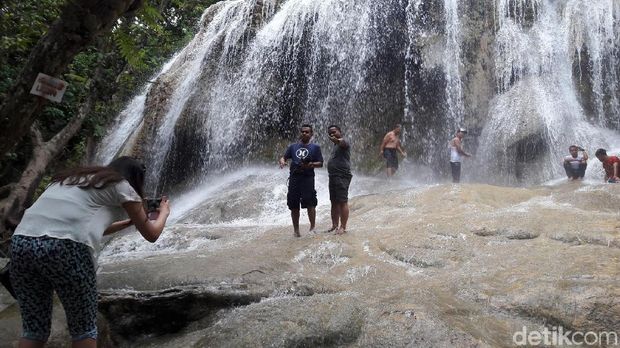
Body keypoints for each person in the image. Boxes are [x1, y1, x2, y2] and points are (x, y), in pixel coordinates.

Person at [10, 156, 170, 348]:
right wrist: (164, 213)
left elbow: (78, 225)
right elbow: (152, 234)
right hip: (66, 249)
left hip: (21, 243)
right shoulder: (122, 186)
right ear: (135, 178)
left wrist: (127, 223)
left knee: (34, 329)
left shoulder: (67, 179)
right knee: (83, 329)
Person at [279, 124, 323, 237]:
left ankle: (312, 227)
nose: (304, 133)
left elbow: (321, 163)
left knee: (310, 202)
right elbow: (284, 157)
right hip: (294, 177)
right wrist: (283, 161)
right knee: (293, 203)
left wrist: (310, 164)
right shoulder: (293, 147)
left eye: (307, 132)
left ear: (311, 134)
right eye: (303, 131)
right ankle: (296, 230)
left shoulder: (315, 147)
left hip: (308, 178)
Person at [326, 125, 352, 235]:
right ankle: (334, 225)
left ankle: (343, 227)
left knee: (342, 201)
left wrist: (336, 140)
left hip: (342, 176)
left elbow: (343, 143)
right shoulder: (335, 146)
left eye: (334, 132)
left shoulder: (343, 141)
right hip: (333, 176)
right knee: (334, 202)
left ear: (340, 131)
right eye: (330, 133)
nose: (332, 134)